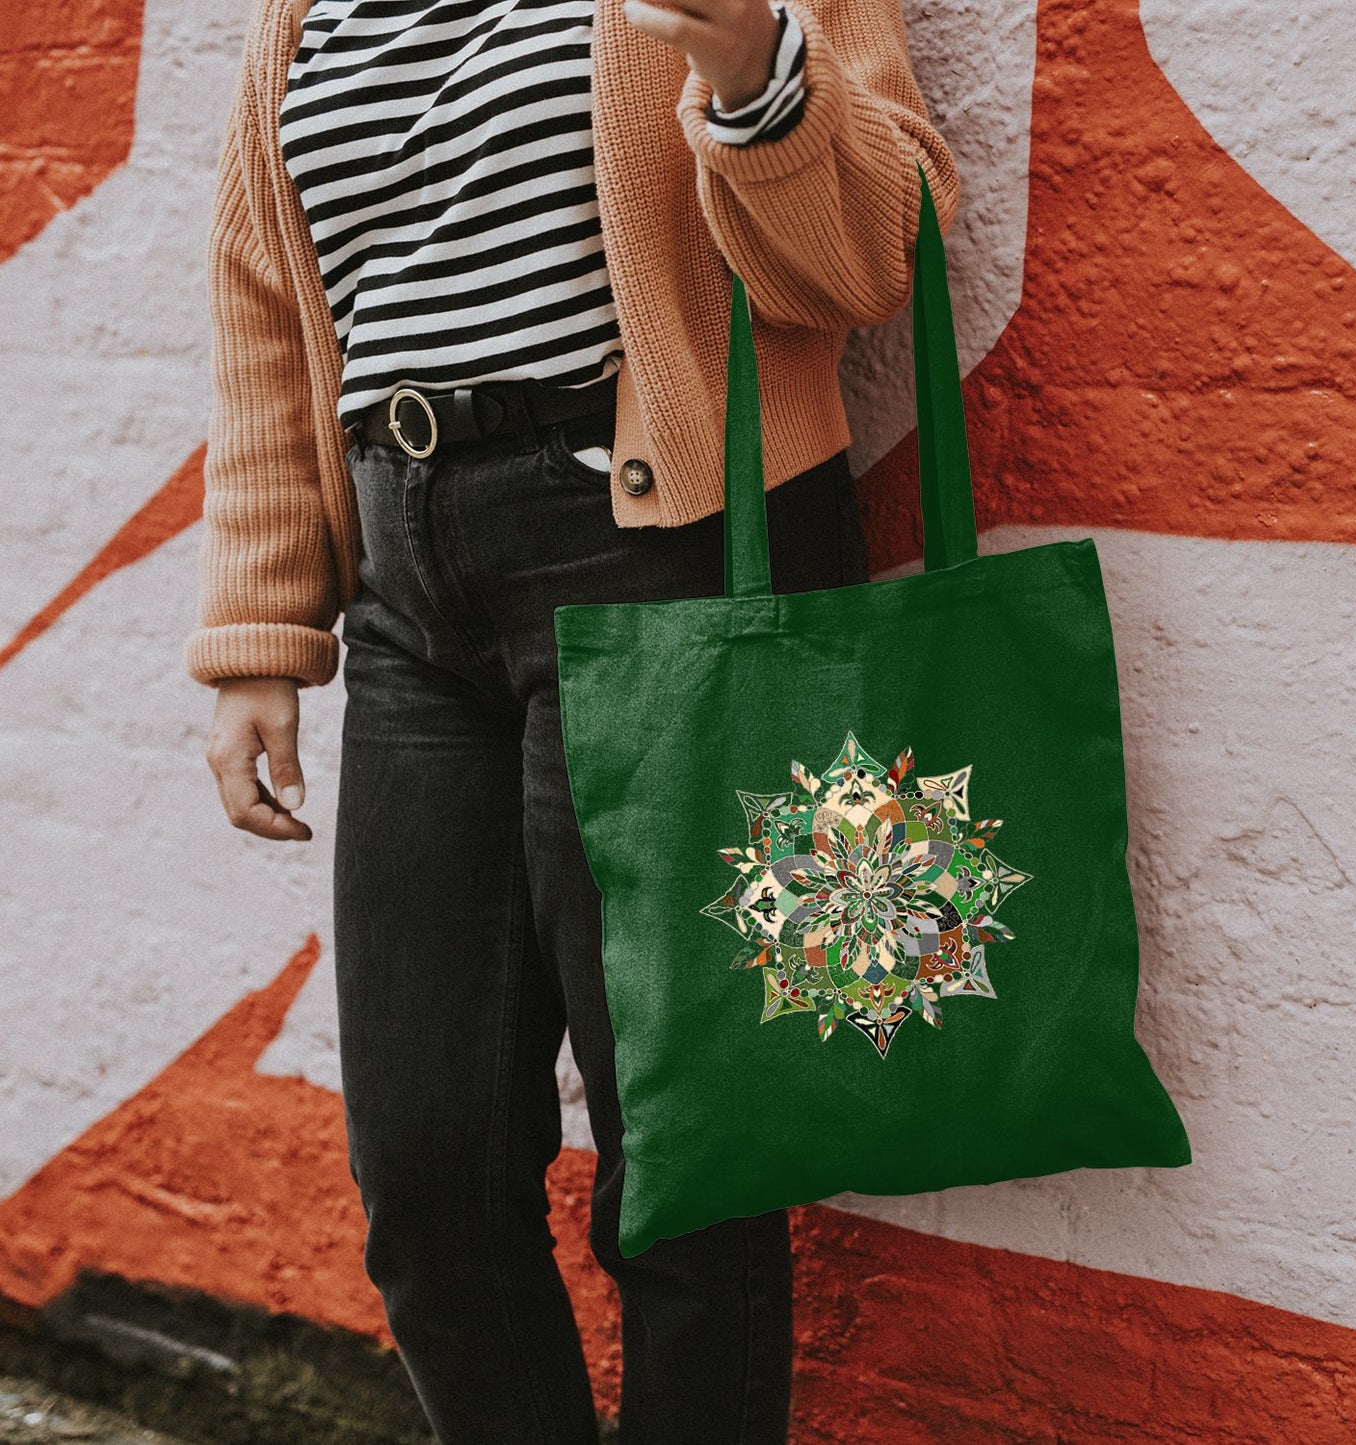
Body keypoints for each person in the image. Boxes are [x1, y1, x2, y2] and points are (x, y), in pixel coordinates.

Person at [187, 0, 960, 1438]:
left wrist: (751, 70)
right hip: (410, 586)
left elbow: (870, 256)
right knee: (427, 1178)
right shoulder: (298, 10)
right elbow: (262, 301)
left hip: (665, 555)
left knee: (680, 1161)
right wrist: (258, 628)